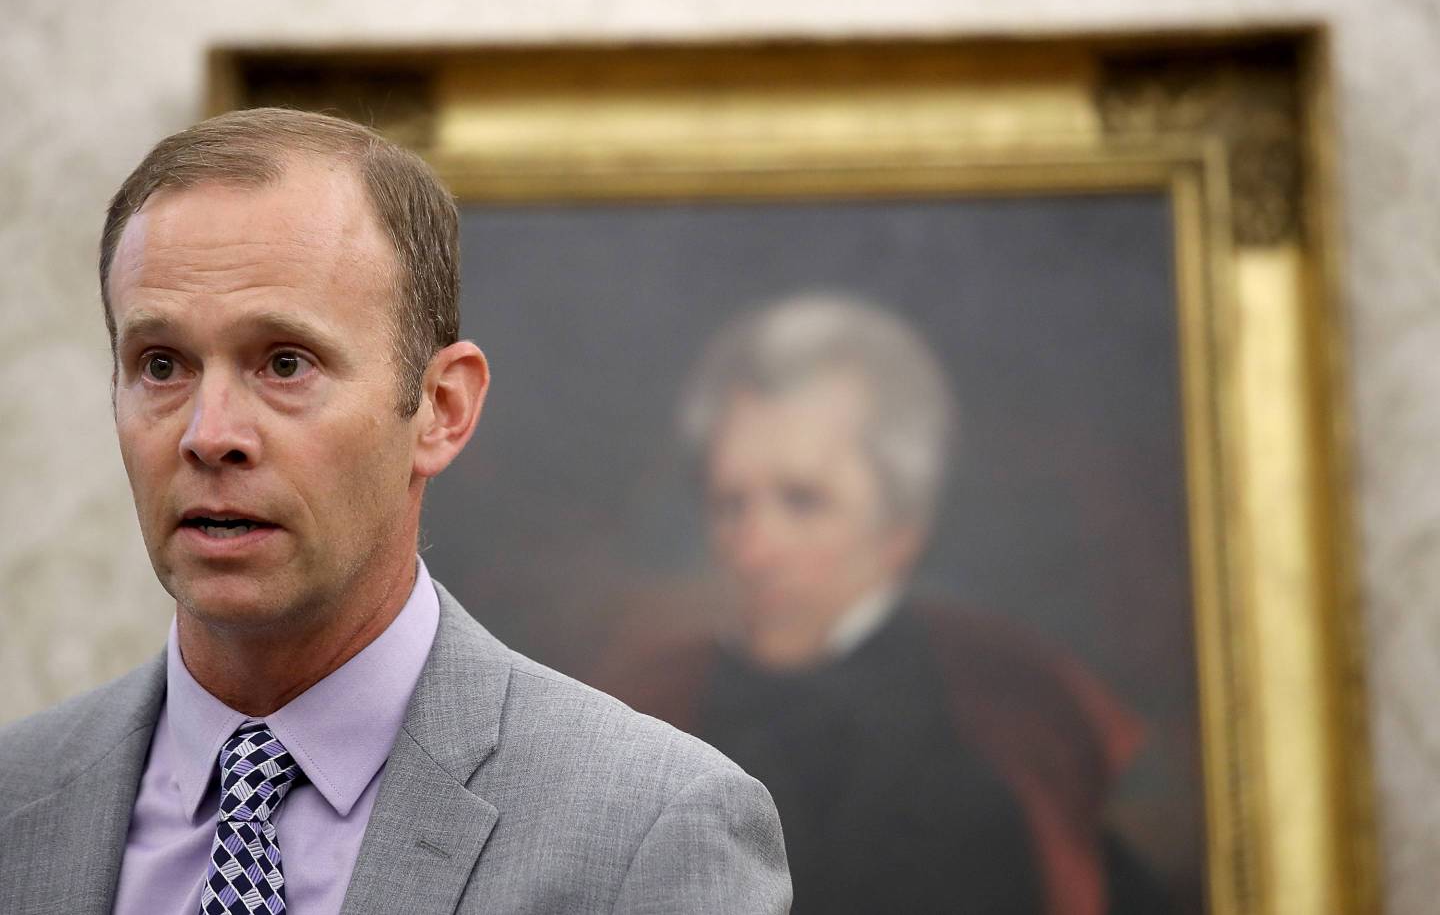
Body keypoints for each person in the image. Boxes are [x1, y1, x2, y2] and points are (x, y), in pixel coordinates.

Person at [0, 108, 790, 915]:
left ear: (441, 408)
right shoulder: (16, 805)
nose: (211, 436)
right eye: (160, 364)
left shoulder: (650, 831)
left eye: (284, 362)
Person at [596, 294, 1164, 915]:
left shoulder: (1012, 716)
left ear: (902, 523)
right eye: (730, 505)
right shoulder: (647, 705)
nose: (753, 550)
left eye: (802, 500)